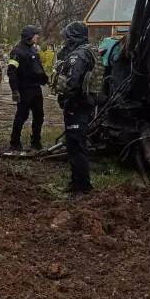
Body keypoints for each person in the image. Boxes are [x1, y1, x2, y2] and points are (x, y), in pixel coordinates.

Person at [54, 21, 96, 195]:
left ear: (73, 37)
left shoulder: (79, 55)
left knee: (77, 146)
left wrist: (66, 100)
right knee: (75, 144)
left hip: (77, 105)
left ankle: (82, 186)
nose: (65, 40)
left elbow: (73, 82)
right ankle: (76, 181)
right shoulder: (89, 51)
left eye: (67, 37)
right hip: (83, 104)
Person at [8, 25, 49, 151]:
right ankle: (14, 142)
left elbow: (38, 68)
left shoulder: (33, 50)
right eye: (36, 34)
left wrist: (45, 79)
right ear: (29, 36)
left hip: (36, 89)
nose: (38, 36)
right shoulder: (17, 51)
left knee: (39, 115)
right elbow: (12, 72)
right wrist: (14, 90)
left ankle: (36, 141)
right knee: (22, 115)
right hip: (24, 89)